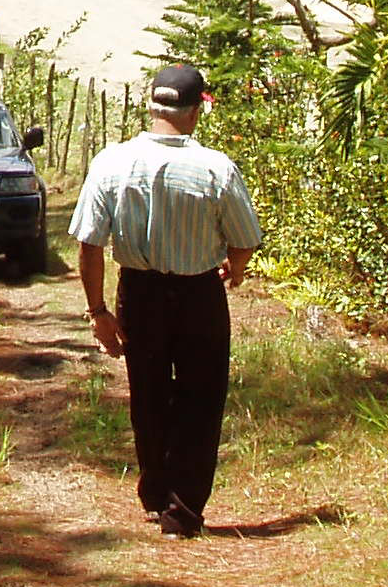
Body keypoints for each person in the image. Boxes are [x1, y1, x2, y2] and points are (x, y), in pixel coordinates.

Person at [68, 61, 263, 538]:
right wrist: (234, 266)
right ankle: (183, 510)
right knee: (200, 399)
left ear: (150, 106)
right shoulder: (216, 167)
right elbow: (244, 239)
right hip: (198, 294)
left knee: (148, 395)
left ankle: (156, 493)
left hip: (139, 290)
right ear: (197, 112)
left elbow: (89, 244)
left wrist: (98, 312)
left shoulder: (111, 162)